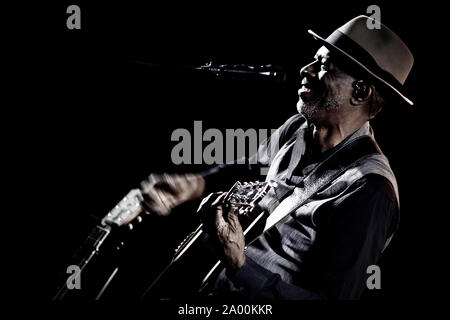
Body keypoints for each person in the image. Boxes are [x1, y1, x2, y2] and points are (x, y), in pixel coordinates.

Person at [140, 15, 413, 300]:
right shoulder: (298, 128)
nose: (305, 70)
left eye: (322, 66)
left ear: (360, 92)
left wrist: (239, 264)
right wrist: (193, 184)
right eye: (313, 59)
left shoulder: (370, 190)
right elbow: (250, 166)